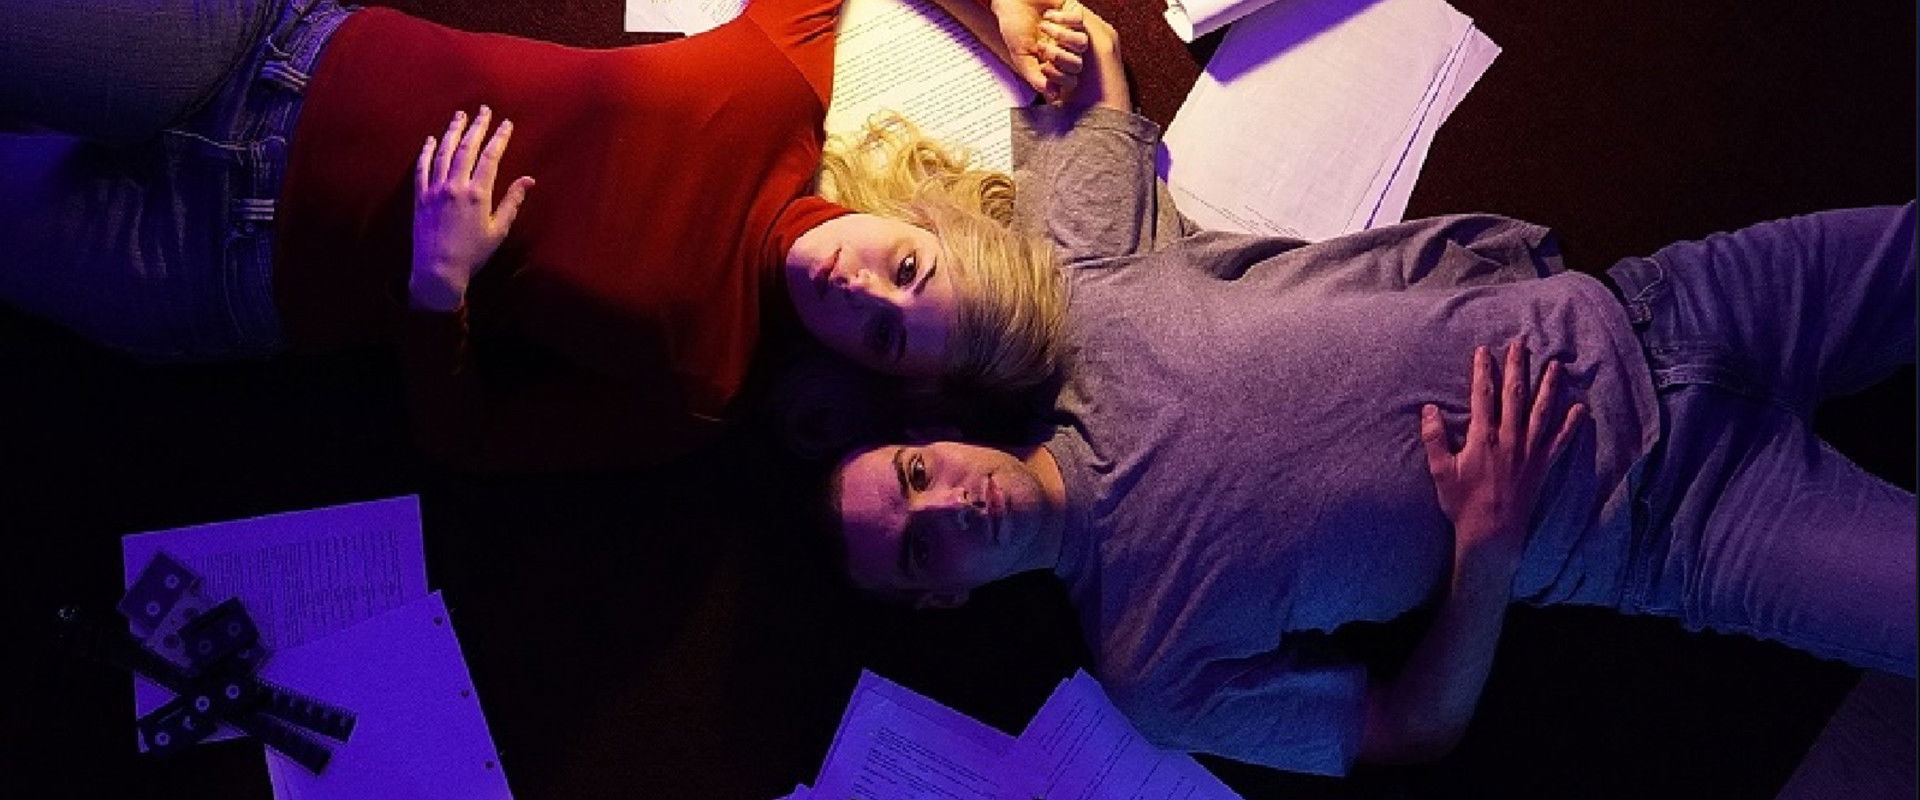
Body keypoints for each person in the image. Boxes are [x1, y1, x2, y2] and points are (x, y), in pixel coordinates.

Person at [823, 6, 1916, 778]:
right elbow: (1405, 730)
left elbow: (1077, 71)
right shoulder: (1152, 667)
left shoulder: (1078, 302)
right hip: (1668, 523)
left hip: (1668, 305)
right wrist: (1485, 552)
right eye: (919, 548)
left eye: (914, 475)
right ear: (942, 597)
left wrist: (1039, 32)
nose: (946, 506)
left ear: (931, 433)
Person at [0, 0, 1075, 472]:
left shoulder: (703, 386)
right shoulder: (782, 89)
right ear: (918, 218)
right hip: (261, 56)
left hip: (218, 265)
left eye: (884, 334)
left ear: (861, 370)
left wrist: (438, 291)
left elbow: (468, 439)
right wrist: (1008, 14)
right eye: (907, 269)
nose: (862, 291)